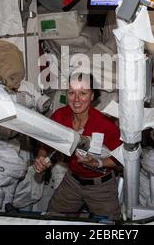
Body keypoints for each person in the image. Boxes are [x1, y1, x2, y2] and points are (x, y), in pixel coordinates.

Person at [34, 73, 122, 220]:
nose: (76, 99)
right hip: (72, 181)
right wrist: (41, 158)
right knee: (53, 220)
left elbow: (121, 158)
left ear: (92, 96)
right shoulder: (60, 116)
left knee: (110, 228)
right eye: (71, 93)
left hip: (101, 186)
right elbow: (47, 143)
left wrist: (96, 163)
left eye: (83, 93)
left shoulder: (105, 124)